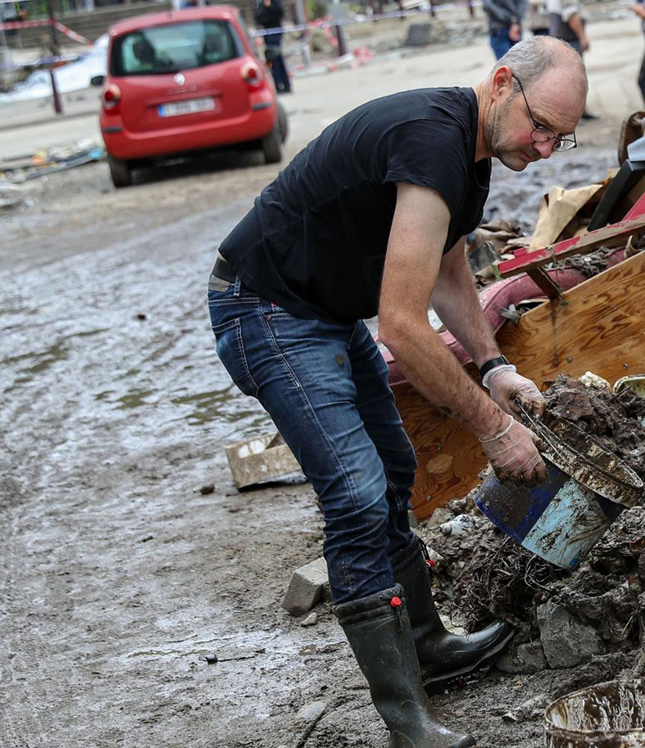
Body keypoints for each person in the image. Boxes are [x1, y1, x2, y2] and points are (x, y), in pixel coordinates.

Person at [207, 37, 587, 747]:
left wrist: (492, 364)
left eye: (560, 139)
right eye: (540, 125)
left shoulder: (469, 155)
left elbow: (446, 274)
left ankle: (427, 647)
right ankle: (403, 717)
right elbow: (404, 327)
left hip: (319, 312)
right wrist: (495, 430)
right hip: (264, 310)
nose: (543, 147)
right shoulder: (433, 140)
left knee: (391, 475)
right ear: (502, 83)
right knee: (353, 493)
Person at [254, 0, 291, 94]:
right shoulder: (261, 1)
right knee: (271, 60)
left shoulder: (274, 1)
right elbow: (259, 17)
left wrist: (269, 6)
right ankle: (278, 84)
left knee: (276, 58)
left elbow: (279, 13)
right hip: (267, 33)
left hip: (275, 33)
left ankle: (284, 84)